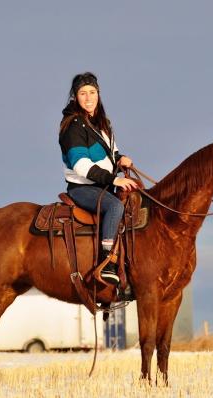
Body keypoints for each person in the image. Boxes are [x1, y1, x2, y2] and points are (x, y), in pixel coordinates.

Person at [58, 72, 138, 284]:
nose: (88, 97)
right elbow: (81, 165)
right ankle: (107, 261)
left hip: (102, 186)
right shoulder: (72, 126)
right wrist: (115, 180)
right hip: (82, 188)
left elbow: (110, 151)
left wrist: (120, 159)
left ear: (98, 94)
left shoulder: (101, 123)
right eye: (83, 93)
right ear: (75, 97)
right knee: (115, 207)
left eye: (92, 92)